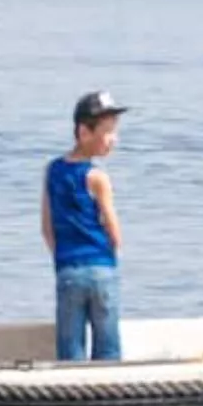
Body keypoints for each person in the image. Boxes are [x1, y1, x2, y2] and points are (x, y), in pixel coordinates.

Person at [42, 90, 129, 362]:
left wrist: (62, 256)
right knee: (108, 343)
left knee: (70, 345)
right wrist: (114, 251)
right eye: (107, 133)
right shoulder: (97, 177)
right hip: (101, 267)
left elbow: (46, 226)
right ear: (84, 132)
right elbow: (114, 231)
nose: (113, 140)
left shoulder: (53, 170)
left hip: (68, 267)